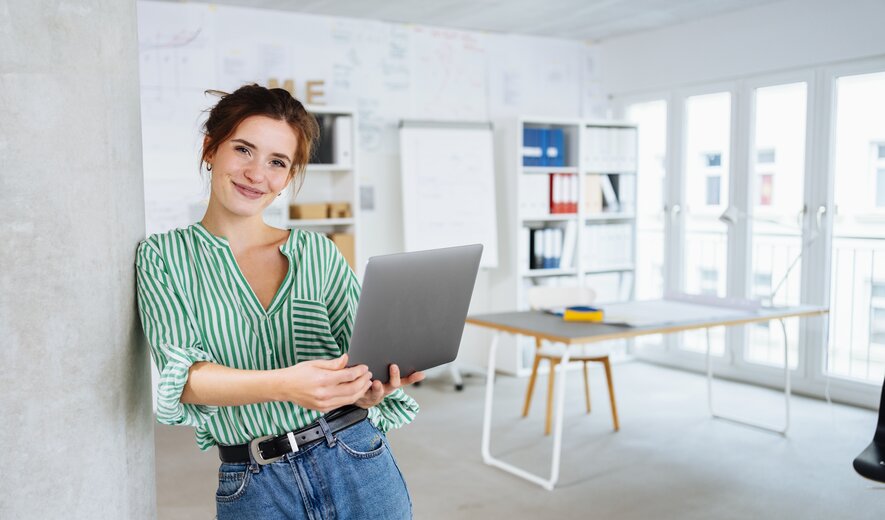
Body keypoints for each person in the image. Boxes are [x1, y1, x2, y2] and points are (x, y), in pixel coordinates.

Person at [135, 84, 424, 519]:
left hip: (358, 458)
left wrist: (368, 391)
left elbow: (361, 355)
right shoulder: (162, 258)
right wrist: (285, 384)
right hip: (255, 485)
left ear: (288, 176)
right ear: (210, 148)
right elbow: (187, 381)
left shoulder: (318, 252)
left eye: (277, 162)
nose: (257, 174)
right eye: (244, 150)